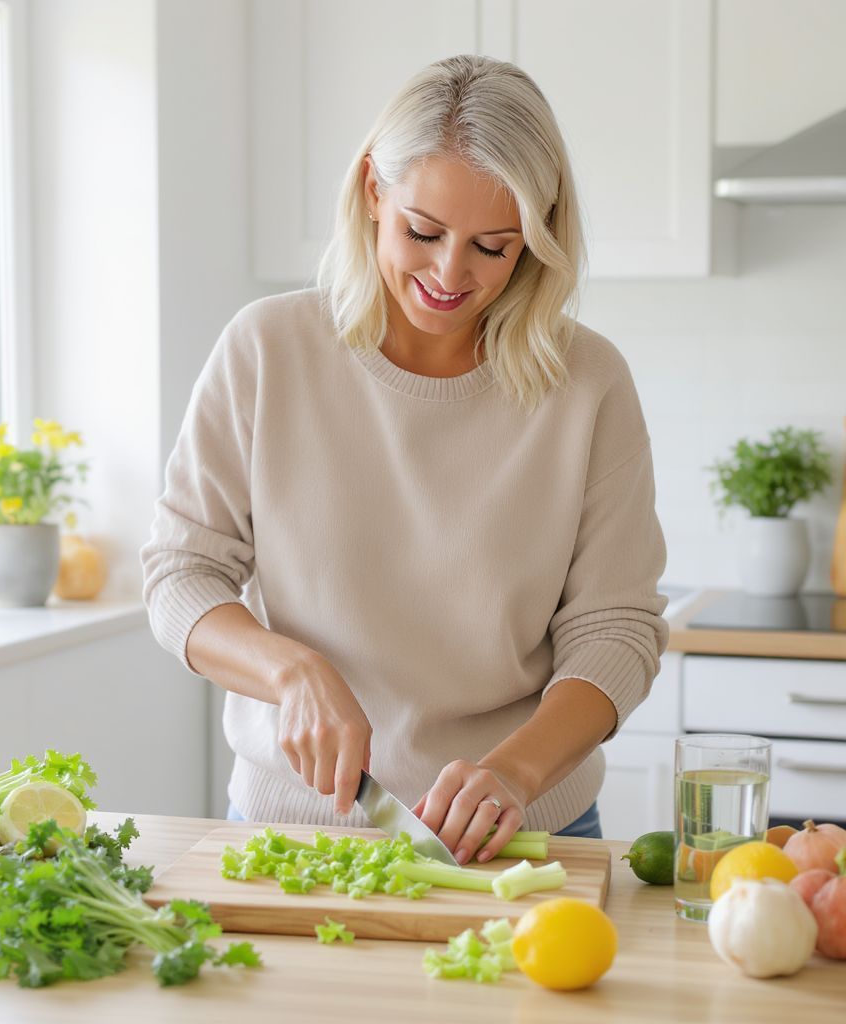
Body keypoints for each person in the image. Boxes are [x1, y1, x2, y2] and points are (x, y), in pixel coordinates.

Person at [141, 54, 668, 865]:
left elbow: (616, 629)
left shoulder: (587, 383)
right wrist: (289, 671)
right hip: (296, 833)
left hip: (526, 834)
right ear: (372, 192)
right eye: (423, 232)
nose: (451, 274)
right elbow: (182, 574)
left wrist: (514, 773)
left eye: (493, 246)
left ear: (539, 234)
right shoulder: (267, 349)